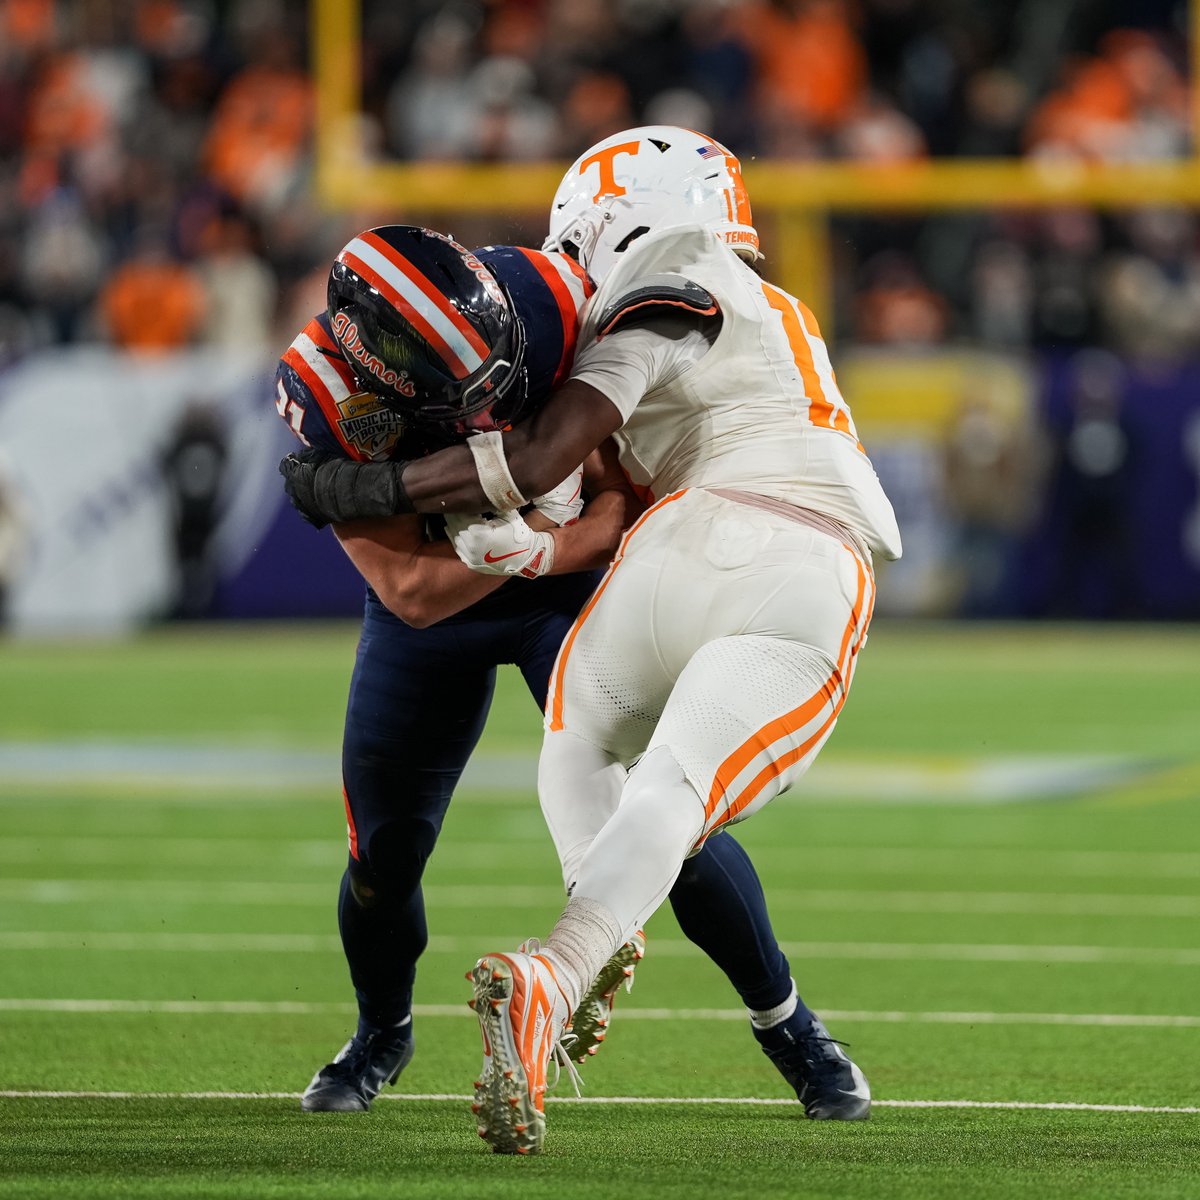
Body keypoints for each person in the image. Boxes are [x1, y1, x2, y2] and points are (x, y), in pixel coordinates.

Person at [281, 128, 900, 1153]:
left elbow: (619, 505)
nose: (486, 398)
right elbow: (413, 590)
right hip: (441, 608)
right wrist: (504, 530)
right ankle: (381, 1033)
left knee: (668, 814)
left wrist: (528, 543)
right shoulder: (325, 392)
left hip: (561, 580)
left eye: (499, 376)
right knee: (383, 855)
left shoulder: (545, 301)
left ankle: (787, 1026)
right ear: (378, 376)